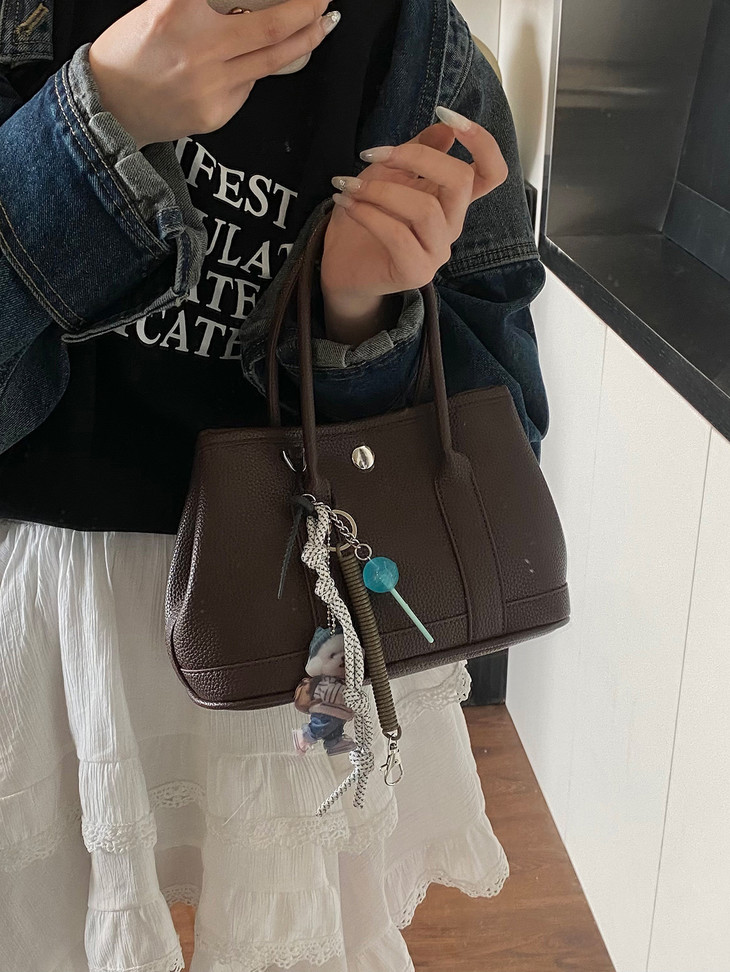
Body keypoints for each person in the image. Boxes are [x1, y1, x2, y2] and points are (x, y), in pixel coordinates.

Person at [0, 0, 548, 968]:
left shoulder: (420, 45)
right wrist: (92, 124)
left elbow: (501, 430)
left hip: (302, 634)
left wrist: (358, 316)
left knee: (296, 929)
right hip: (37, 622)